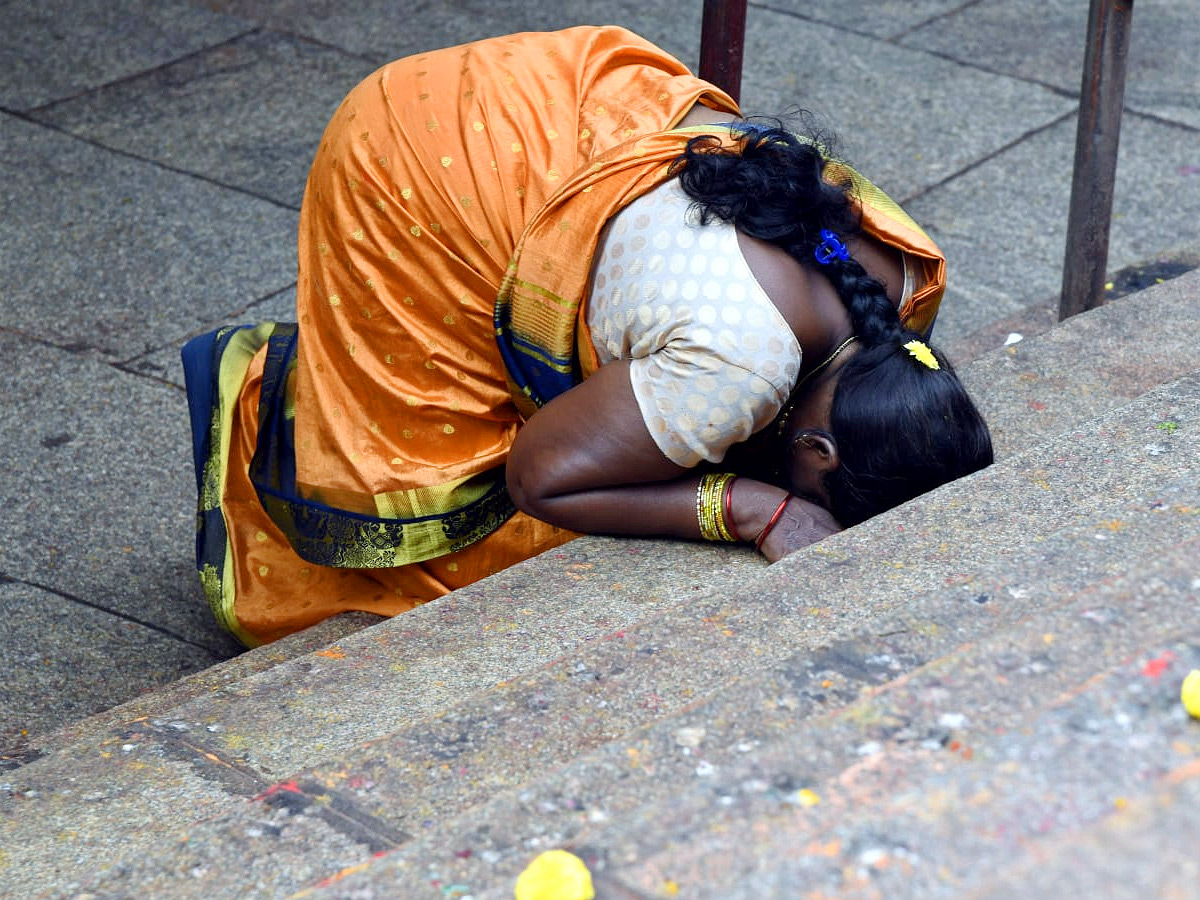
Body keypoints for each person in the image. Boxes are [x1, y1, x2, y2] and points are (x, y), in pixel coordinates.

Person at [183, 25, 992, 647]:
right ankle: (254, 406)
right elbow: (540, 478)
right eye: (821, 498)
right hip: (422, 161)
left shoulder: (902, 278)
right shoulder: (734, 370)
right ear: (816, 452)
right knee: (457, 526)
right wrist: (750, 508)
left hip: (558, 97)